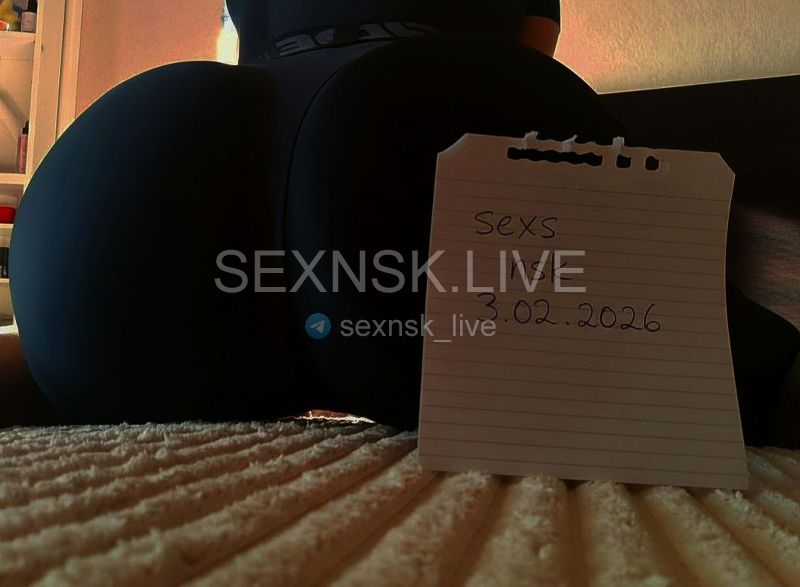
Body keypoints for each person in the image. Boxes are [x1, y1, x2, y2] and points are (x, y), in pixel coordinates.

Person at [4, 1, 799, 447]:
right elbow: (534, 57)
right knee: (747, 377)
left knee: (64, 362)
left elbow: (249, 53)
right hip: (421, 122)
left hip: (138, 159)